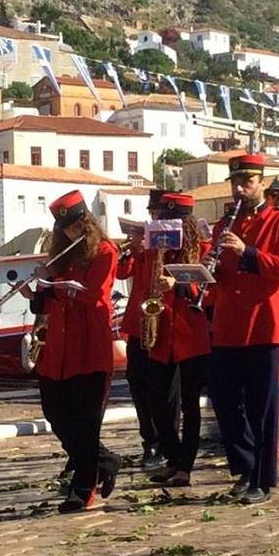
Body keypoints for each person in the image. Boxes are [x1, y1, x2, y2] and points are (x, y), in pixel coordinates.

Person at [205, 153, 279, 503]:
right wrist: (202, 275)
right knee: (223, 399)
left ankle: (263, 479)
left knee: (264, 405)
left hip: (265, 324)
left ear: (262, 183)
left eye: (247, 182)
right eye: (235, 182)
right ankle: (246, 466)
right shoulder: (222, 225)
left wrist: (248, 252)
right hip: (229, 325)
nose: (239, 189)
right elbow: (220, 277)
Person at [33, 192, 120, 513]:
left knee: (86, 423)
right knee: (55, 413)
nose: (70, 234)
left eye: (75, 226)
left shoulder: (106, 252)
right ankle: (106, 459)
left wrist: (56, 281)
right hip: (59, 349)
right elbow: (47, 301)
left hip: (89, 347)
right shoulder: (62, 257)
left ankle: (83, 489)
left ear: (86, 222)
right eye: (64, 229)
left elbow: (94, 295)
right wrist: (39, 288)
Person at [142, 192, 211, 489]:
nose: (167, 227)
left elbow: (207, 289)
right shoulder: (155, 250)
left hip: (190, 335)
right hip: (162, 335)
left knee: (190, 404)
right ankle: (172, 457)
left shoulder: (202, 248)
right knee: (158, 402)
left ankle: (186, 466)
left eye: (173, 221)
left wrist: (180, 282)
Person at [115, 191, 166, 468]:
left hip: (162, 324)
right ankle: (150, 442)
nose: (154, 217)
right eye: (153, 213)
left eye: (158, 213)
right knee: (138, 386)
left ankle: (164, 442)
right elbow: (122, 274)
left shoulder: (168, 243)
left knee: (161, 389)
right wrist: (131, 250)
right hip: (137, 324)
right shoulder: (142, 247)